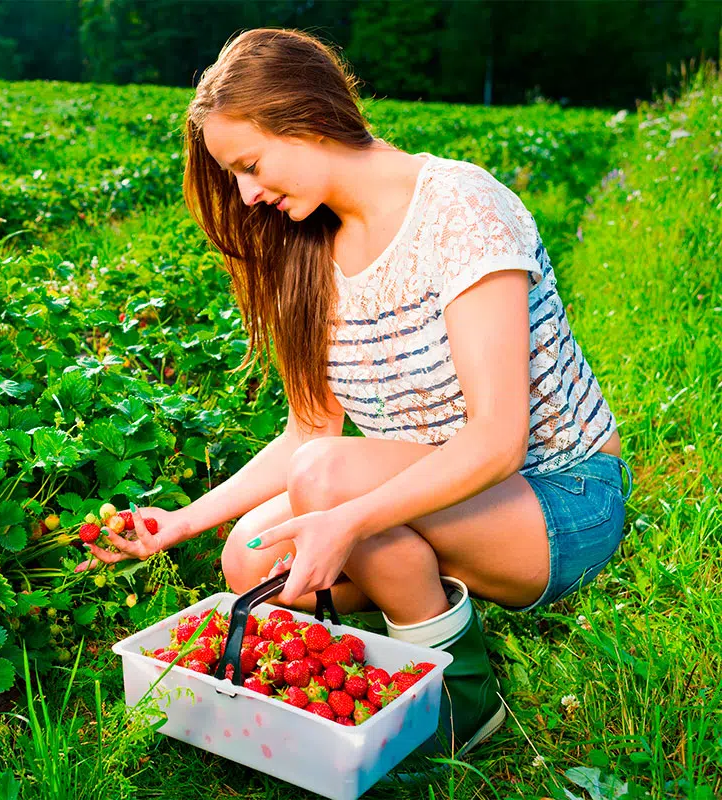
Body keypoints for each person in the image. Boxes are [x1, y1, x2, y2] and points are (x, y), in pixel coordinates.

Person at [77, 28, 634, 762]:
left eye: (249, 165)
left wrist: (348, 519)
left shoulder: (459, 210)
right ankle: (393, 655)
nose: (246, 194)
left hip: (560, 497)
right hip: (445, 494)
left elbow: (500, 438)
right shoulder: (305, 247)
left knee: (331, 486)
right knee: (249, 554)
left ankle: (464, 700)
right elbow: (308, 431)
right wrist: (181, 523)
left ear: (307, 117)